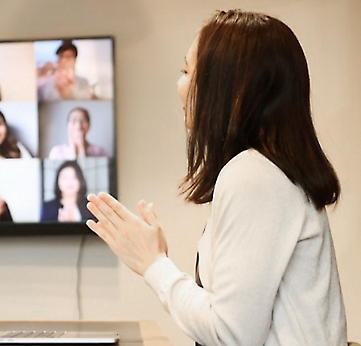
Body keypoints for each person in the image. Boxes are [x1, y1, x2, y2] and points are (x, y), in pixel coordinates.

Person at [85, 10, 347, 345]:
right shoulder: (266, 172)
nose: (179, 86)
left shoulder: (253, 176)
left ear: (227, 86)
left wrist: (154, 264)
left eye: (186, 71)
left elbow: (231, 334)